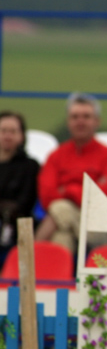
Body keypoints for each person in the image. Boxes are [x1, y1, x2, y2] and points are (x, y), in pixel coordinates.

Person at [36, 93, 107, 255]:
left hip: (97, 223)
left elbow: (106, 197)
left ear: (97, 122)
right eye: (75, 117)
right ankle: (61, 279)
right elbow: (46, 196)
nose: (80, 121)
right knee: (61, 237)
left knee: (59, 209)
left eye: (86, 116)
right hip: (64, 220)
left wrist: (68, 190)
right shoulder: (56, 156)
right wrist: (87, 189)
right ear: (68, 122)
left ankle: (28, 264)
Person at [0, 111, 41, 261]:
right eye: (3, 131)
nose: (7, 136)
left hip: (17, 226)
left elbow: (25, 203)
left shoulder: (30, 166)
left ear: (22, 136)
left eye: (13, 131)